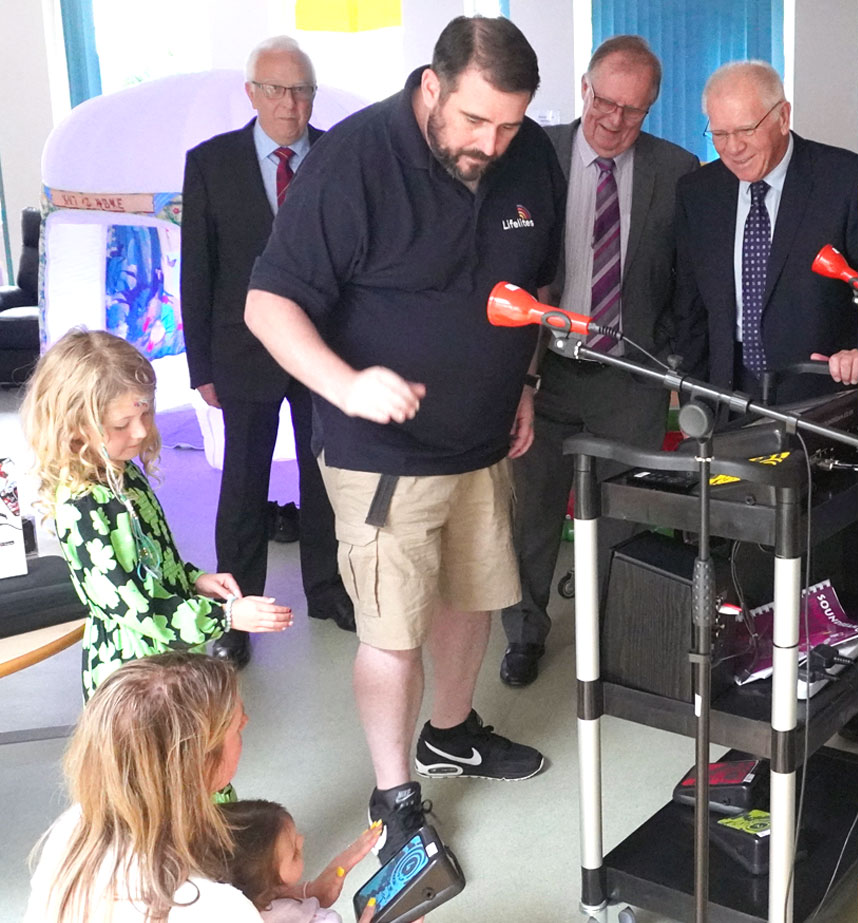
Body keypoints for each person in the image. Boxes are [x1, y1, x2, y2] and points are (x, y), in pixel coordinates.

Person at [243, 15, 563, 863]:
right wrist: (345, 383)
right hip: (382, 456)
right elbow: (267, 303)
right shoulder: (353, 162)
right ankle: (394, 795)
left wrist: (524, 383)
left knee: (472, 594)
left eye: (509, 123)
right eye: (473, 121)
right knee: (393, 627)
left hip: (486, 438)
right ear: (433, 85)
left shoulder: (526, 152)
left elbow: (531, 288)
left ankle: (451, 731)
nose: (491, 142)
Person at [499, 35, 700, 687]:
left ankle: (615, 642)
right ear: (584, 87)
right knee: (530, 514)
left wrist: (669, 358)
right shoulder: (534, 153)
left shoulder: (679, 169)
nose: (615, 122)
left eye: (633, 111)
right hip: (543, 373)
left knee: (623, 518)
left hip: (629, 378)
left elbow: (685, 279)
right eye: (606, 102)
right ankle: (525, 632)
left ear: (652, 111)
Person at [181, 36, 354, 672]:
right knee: (244, 484)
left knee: (324, 478)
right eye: (277, 89)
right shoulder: (211, 163)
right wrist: (201, 366)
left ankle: (327, 590)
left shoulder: (340, 153)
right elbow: (196, 270)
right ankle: (237, 610)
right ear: (252, 92)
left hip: (323, 347)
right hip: (242, 351)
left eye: (302, 90)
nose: (291, 103)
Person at [19, 330, 290, 700]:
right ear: (74, 426)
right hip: (134, 680)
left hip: (170, 659)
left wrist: (194, 579)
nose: (142, 431)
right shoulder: (82, 509)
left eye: (145, 412)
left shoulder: (123, 469)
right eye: (121, 425)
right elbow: (139, 607)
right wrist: (225, 617)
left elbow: (153, 559)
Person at [672, 60, 858, 403]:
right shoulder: (697, 192)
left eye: (745, 130)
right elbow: (690, 309)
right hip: (725, 395)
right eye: (720, 134)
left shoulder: (849, 180)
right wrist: (693, 400)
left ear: (783, 118)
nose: (733, 147)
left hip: (819, 393)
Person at [23, 653, 258, 922]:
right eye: (236, 727)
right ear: (198, 765)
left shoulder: (71, 830)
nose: (246, 722)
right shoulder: (214, 909)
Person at [218, 800, 380, 922]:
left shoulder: (258, 899)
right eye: (294, 854)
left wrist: (308, 894)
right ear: (263, 885)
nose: (301, 840)